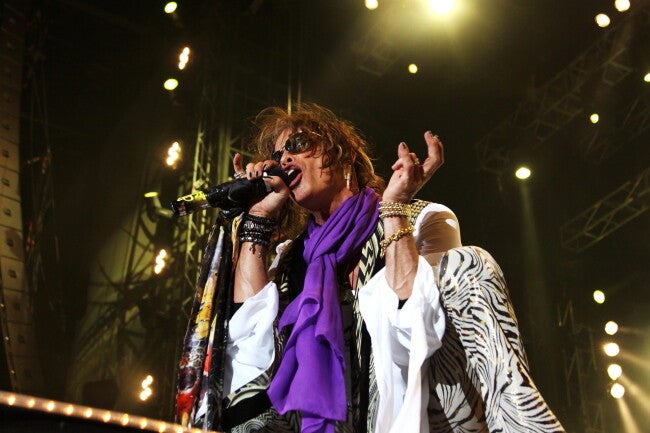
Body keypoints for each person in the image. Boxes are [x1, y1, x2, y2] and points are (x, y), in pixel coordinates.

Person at [176, 103, 565, 433]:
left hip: (416, 413)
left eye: (297, 145)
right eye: (277, 157)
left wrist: (393, 211)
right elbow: (249, 351)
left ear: (343, 155)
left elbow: (420, 325)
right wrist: (258, 220)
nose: (285, 161)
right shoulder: (290, 259)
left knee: (468, 264)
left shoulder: (424, 218)